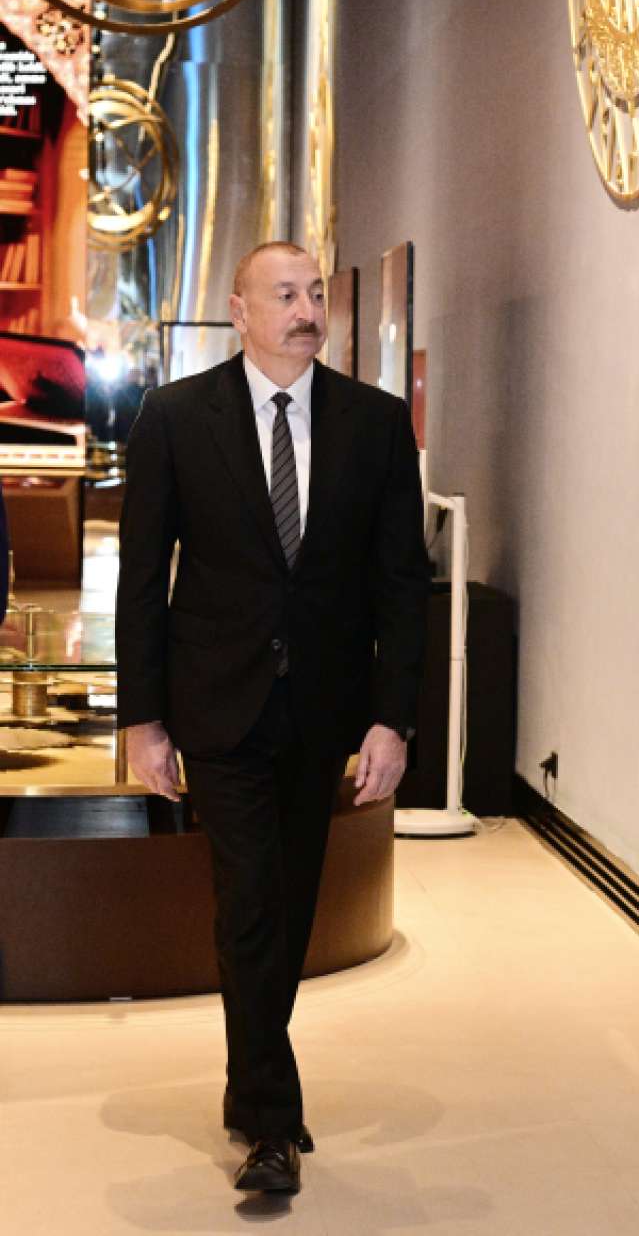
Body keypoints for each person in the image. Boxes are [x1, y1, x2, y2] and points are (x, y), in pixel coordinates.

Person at [115, 241, 429, 1195]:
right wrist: (143, 718)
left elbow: (401, 584)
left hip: (322, 710)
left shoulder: (376, 424)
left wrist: (392, 721)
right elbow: (142, 578)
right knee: (250, 899)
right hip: (218, 705)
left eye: (316, 293)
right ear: (240, 311)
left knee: (287, 909)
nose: (306, 310)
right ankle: (270, 1121)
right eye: (285, 294)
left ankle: (249, 1078)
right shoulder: (176, 417)